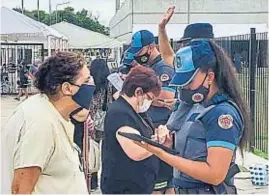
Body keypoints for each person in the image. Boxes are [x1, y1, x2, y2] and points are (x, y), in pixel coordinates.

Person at [135, 40, 251, 194]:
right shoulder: (196, 105)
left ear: (210, 77)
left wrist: (162, 154)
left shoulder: (222, 113)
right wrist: (170, 144)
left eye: (189, 82)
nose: (185, 88)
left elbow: (215, 175)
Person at [2, 51, 95, 194]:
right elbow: (20, 189)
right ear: (67, 88)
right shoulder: (41, 123)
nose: (92, 84)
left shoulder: (51, 112)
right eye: (87, 80)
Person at [101, 66, 162, 194]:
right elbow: (136, 151)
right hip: (124, 188)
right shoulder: (119, 113)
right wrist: (159, 143)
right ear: (138, 92)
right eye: (149, 98)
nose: (149, 102)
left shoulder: (137, 111)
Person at [129, 29, 175, 193]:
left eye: (139, 51)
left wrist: (141, 93)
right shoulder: (149, 67)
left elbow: (168, 96)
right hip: (151, 124)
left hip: (161, 127)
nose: (137, 55)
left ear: (150, 48)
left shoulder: (162, 67)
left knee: (161, 181)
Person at [89, 58, 113, 190]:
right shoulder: (109, 83)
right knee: (106, 153)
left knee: (92, 151)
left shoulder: (89, 83)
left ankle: (92, 182)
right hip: (106, 120)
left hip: (91, 121)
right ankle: (104, 179)